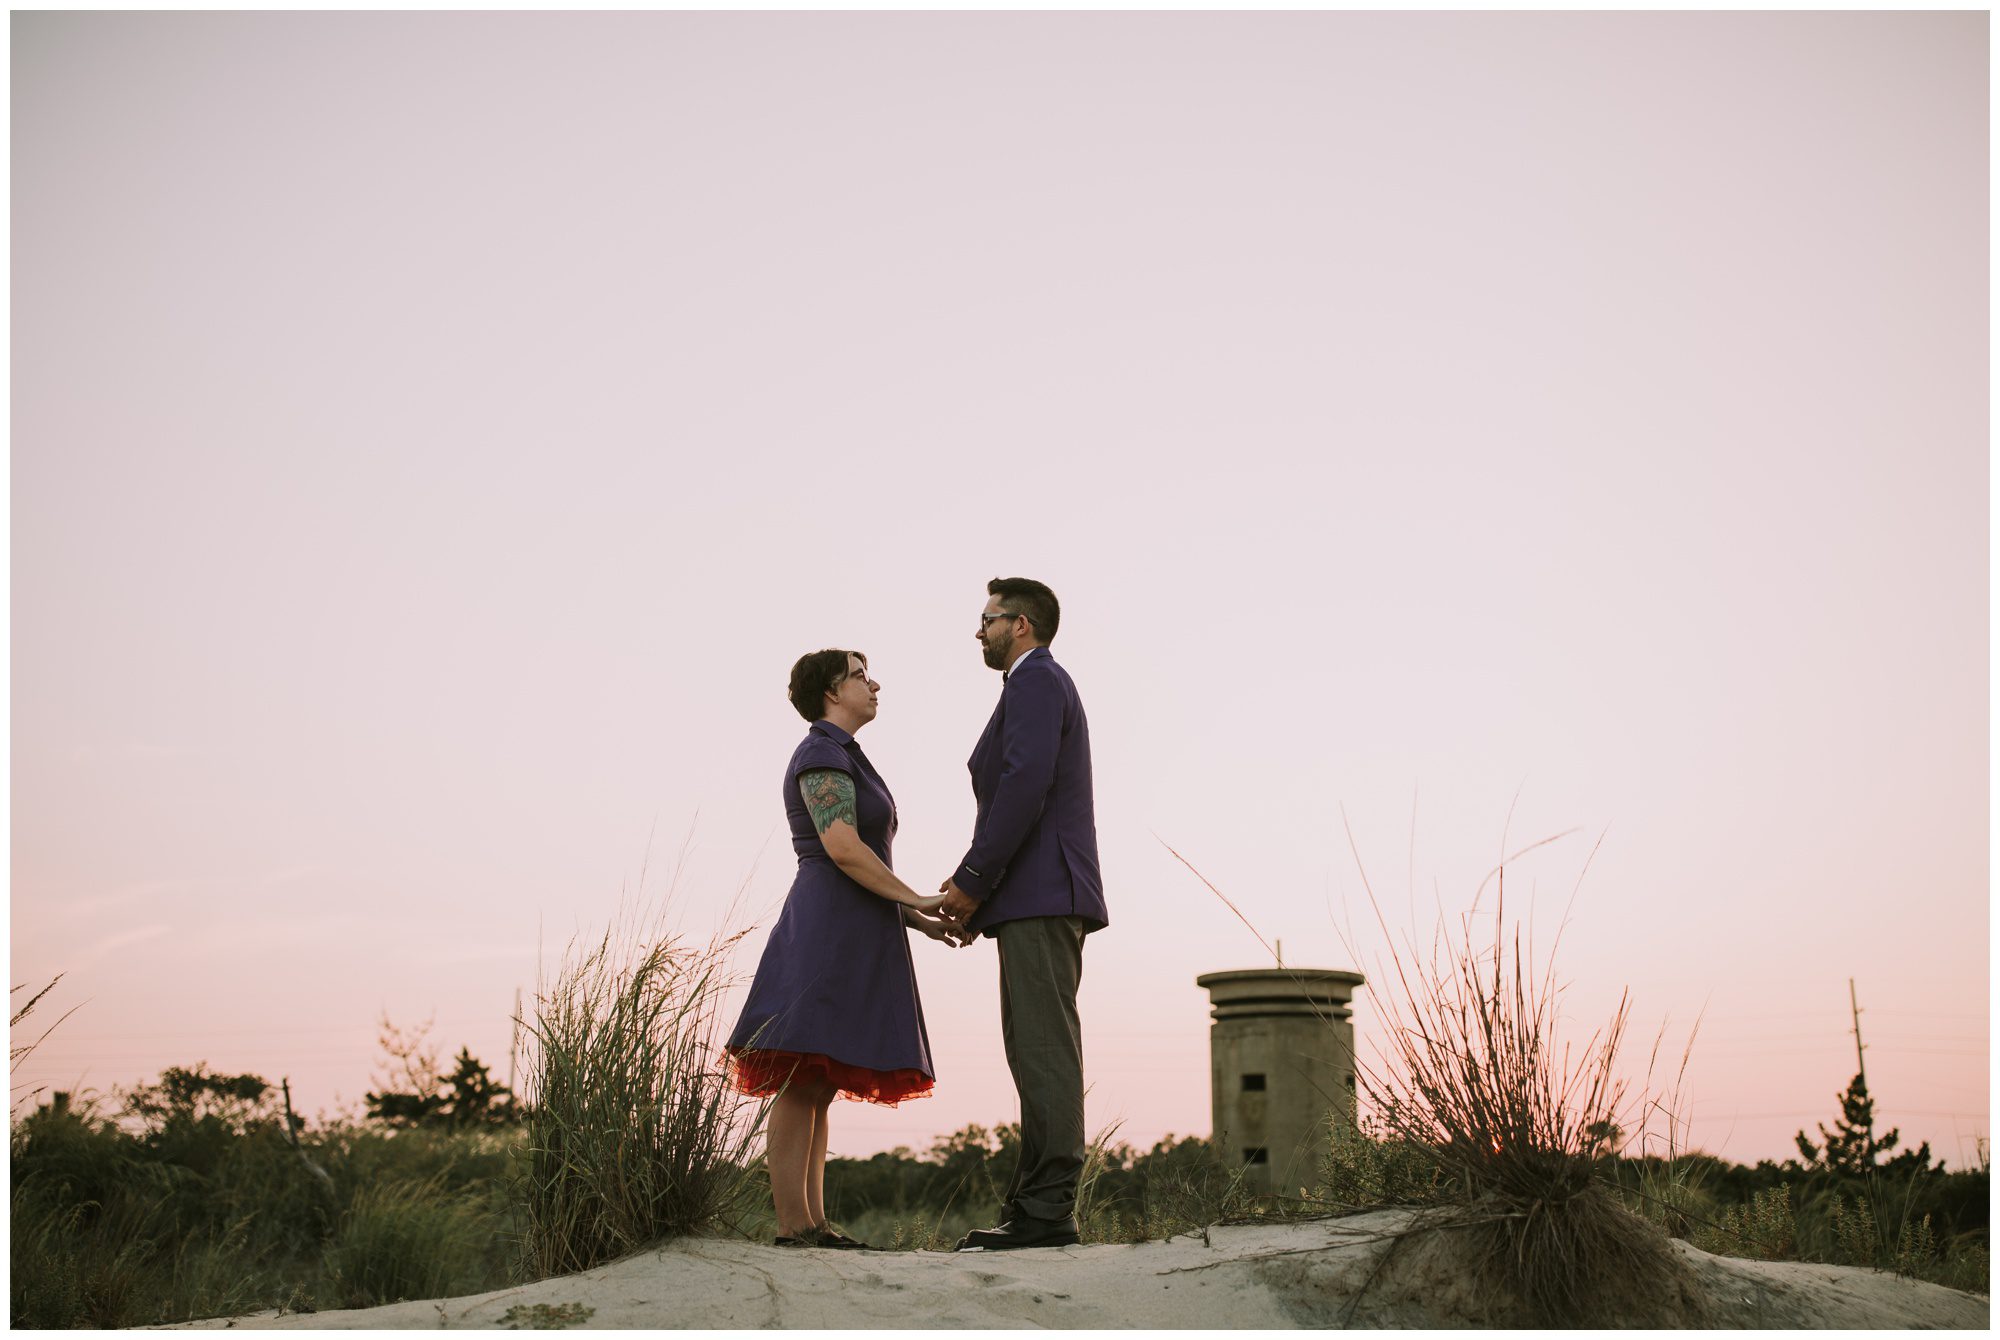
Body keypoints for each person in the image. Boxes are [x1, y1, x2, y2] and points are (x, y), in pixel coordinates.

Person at [725, 649, 965, 1249]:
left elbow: (866, 863)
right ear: (833, 690)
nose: (875, 682)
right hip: (827, 930)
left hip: (859, 926)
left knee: (821, 1080)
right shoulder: (820, 753)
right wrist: (919, 896)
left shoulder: (847, 756)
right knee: (801, 1077)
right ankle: (793, 1228)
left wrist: (918, 918)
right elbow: (842, 847)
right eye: (862, 674)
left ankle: (815, 1224)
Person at [939, 577, 1108, 1251]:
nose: (979, 632)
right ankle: (1033, 1204)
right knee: (1033, 1048)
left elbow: (1024, 785)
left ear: (1022, 626)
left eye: (987, 620)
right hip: (1033, 895)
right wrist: (981, 899)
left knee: (1043, 1050)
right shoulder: (1033, 684)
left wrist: (975, 881)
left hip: (1043, 892)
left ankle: (1046, 1211)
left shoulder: (1036, 682)